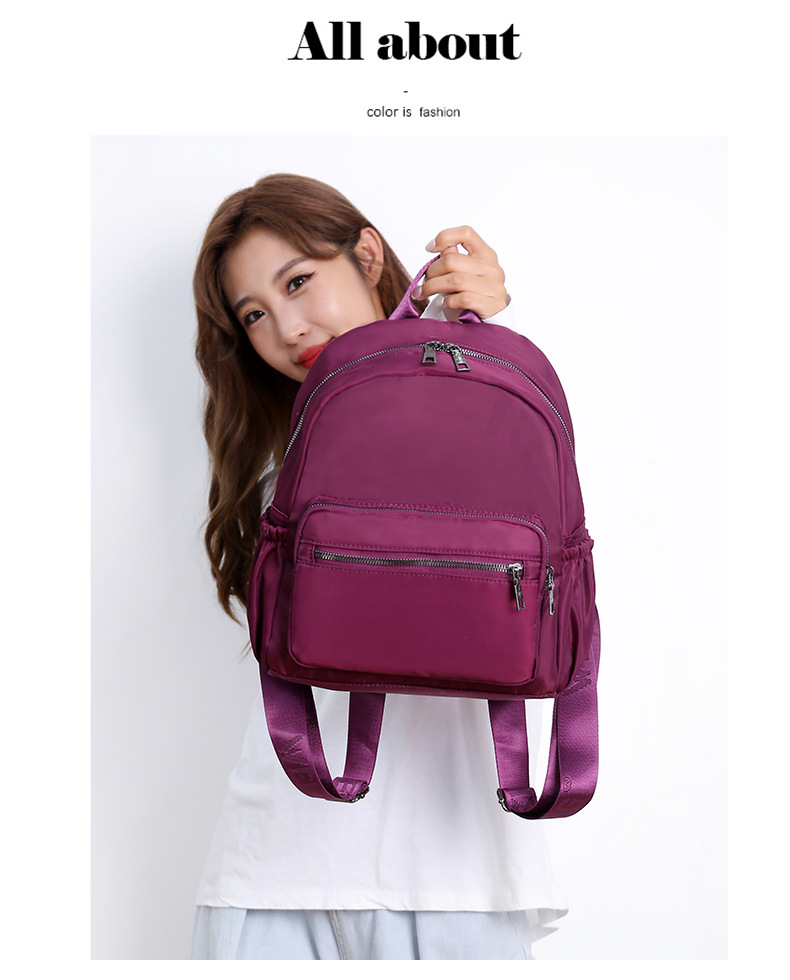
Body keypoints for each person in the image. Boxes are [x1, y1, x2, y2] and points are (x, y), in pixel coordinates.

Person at [191, 173, 567, 960]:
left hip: (456, 883)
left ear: (366, 255)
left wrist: (466, 330)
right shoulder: (277, 453)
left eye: (298, 282)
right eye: (254, 314)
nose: (286, 327)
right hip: (272, 873)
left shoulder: (478, 393)